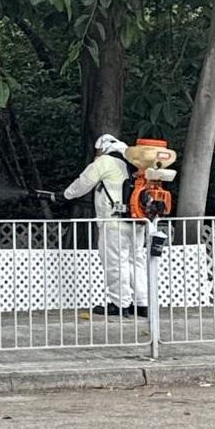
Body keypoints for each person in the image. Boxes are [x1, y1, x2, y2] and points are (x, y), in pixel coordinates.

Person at [62, 133, 148, 317]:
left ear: (102, 148)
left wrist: (66, 195)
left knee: (116, 264)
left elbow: (83, 183)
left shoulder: (106, 162)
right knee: (136, 261)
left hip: (113, 223)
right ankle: (142, 304)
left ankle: (119, 304)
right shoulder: (135, 163)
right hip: (137, 222)